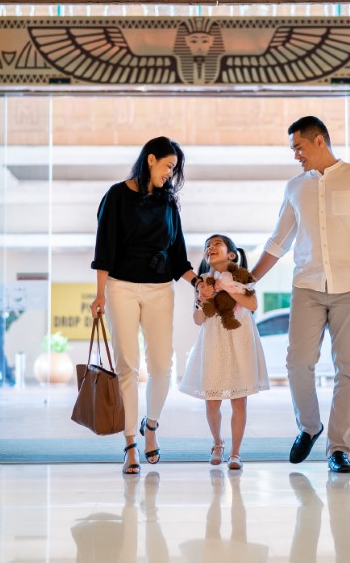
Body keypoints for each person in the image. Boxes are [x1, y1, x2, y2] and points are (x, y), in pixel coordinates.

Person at [251, 116, 350, 474]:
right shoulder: (295, 188)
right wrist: (249, 279)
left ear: (319, 142)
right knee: (298, 363)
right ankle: (310, 427)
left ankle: (338, 449)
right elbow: (278, 241)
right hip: (307, 287)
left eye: (298, 147)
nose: (296, 154)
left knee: (349, 369)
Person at [90, 136, 200, 475]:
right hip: (121, 287)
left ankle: (150, 426)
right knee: (128, 366)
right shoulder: (116, 197)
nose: (170, 174)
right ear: (150, 159)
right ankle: (130, 445)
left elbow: (178, 256)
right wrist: (100, 294)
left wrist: (199, 284)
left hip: (159, 289)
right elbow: (104, 249)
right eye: (168, 166)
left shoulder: (168, 205)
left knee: (162, 366)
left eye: (174, 169)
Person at [179, 234, 270, 470]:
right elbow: (198, 319)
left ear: (232, 254)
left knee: (239, 400)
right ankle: (217, 443)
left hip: (240, 338)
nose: (211, 248)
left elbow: (252, 305)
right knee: (212, 400)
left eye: (217, 244)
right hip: (213, 340)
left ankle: (236, 452)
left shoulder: (243, 278)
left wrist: (226, 288)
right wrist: (202, 298)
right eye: (208, 246)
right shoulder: (202, 281)